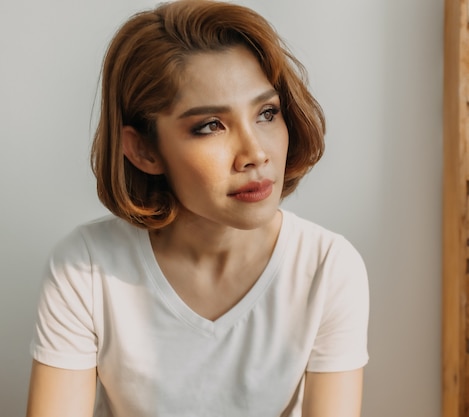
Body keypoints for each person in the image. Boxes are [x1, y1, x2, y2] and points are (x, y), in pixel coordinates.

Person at [25, 1, 369, 416]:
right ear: (143, 150)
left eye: (266, 113)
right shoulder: (85, 268)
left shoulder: (327, 267)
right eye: (210, 125)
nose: (256, 153)